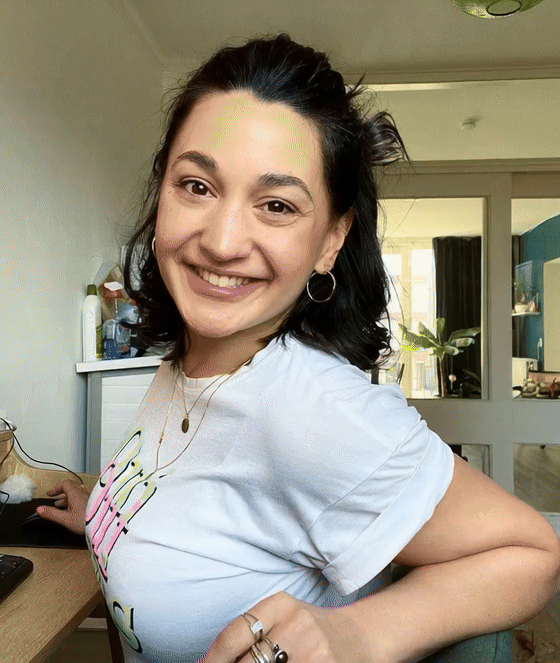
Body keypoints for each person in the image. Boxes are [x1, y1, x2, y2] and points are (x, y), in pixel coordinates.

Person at [39, 33, 560, 663]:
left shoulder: (313, 411)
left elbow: (533, 553)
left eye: (277, 205)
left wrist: (357, 633)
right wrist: (105, 510)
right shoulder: (192, 357)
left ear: (330, 241)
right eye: (197, 186)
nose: (223, 241)